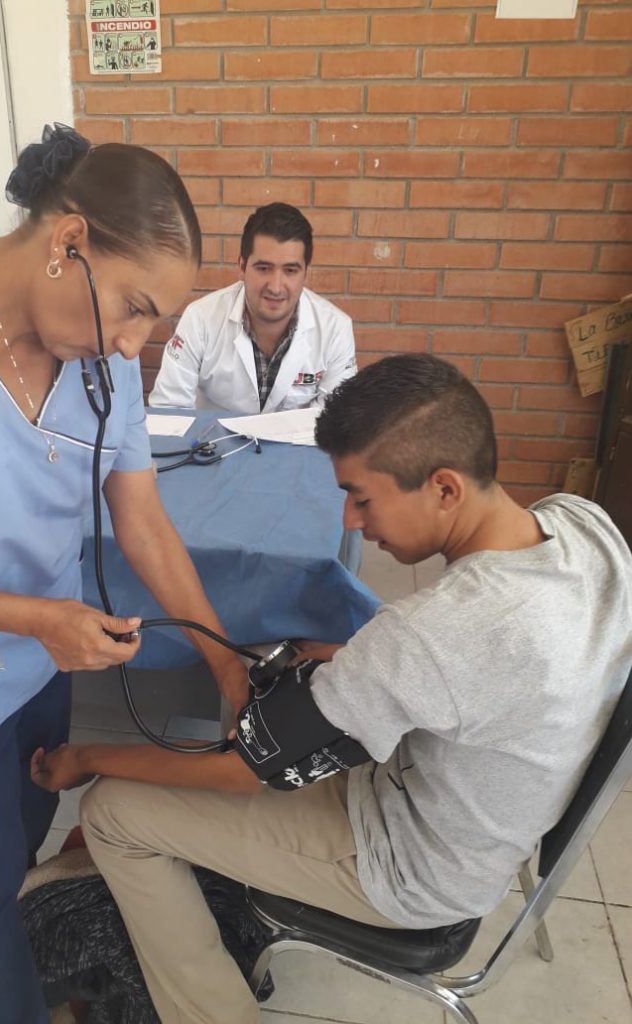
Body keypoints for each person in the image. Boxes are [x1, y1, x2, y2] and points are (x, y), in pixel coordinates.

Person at [32, 353, 632, 1024]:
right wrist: (362, 660)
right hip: (476, 824)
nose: (351, 520)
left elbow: (248, 770)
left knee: (114, 811)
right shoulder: (585, 527)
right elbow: (496, 665)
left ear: (444, 488)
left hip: (412, 868)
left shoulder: (432, 635)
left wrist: (83, 758)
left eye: (363, 497)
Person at [0, 123, 249, 1024]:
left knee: (18, 844)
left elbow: (142, 519)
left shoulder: (98, 366)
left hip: (44, 668)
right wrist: (29, 615)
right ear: (68, 240)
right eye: (134, 307)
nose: (131, 346)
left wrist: (223, 657)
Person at [148, 202, 357, 414]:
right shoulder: (200, 319)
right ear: (241, 266)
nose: (276, 287)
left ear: (305, 272)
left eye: (290, 270)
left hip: (295, 447)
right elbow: (169, 410)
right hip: (212, 445)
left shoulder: (335, 330)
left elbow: (336, 422)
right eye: (263, 268)